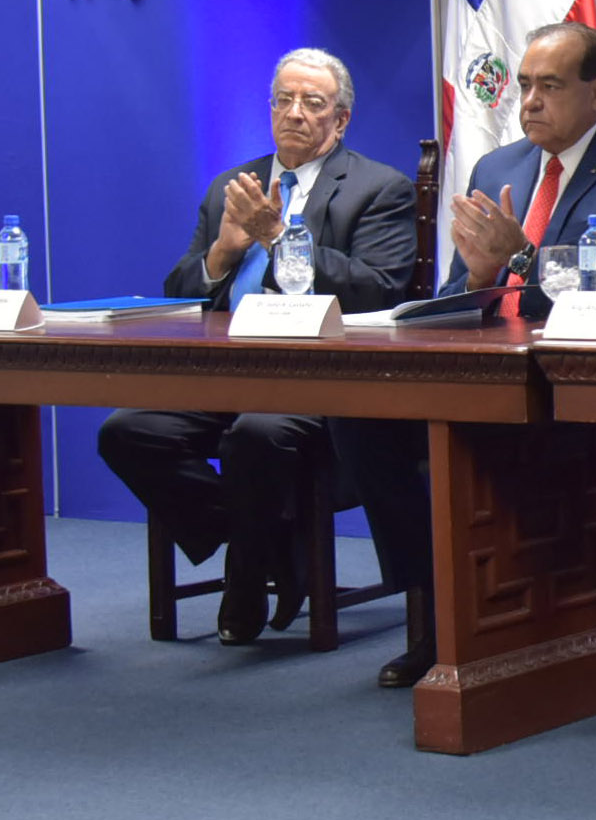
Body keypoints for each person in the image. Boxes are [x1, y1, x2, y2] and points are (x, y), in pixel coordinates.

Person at [339, 20, 596, 688]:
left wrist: (519, 259)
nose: (528, 101)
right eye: (524, 85)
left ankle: (474, 620)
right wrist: (473, 276)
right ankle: (438, 607)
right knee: (360, 418)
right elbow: (455, 295)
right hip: (480, 373)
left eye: (549, 86)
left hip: (575, 389)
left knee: (462, 436)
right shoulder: (496, 168)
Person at [98, 48, 416, 647]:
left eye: (312, 103)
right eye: (283, 100)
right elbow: (181, 291)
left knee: (258, 434)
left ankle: (246, 576)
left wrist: (277, 237)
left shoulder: (378, 188)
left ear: (340, 120)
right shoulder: (232, 186)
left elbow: (377, 289)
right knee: (127, 431)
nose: (293, 113)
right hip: (223, 377)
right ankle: (268, 545)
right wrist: (222, 252)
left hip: (320, 384)